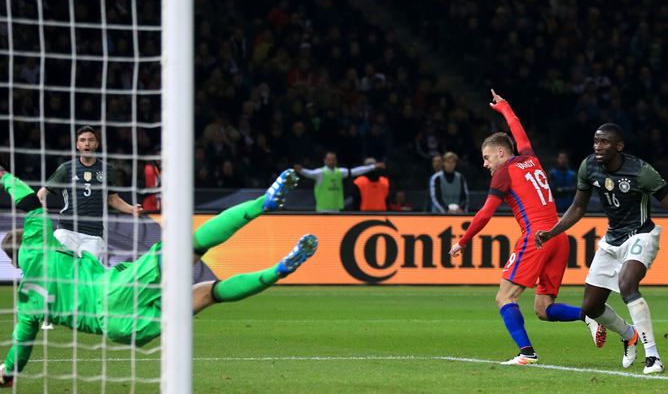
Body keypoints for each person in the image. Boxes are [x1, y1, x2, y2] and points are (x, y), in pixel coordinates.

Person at [0, 166, 316, 387]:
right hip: (115, 288)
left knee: (207, 295)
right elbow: (29, 201)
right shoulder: (38, 242)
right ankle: (264, 204)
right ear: (24, 242)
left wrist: (9, 372)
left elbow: (21, 345)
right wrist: (4, 177)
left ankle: (278, 271)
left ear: (14, 265)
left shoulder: (27, 303)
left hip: (120, 328)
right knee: (191, 247)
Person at [535, 123, 668, 375]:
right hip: (611, 239)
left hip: (642, 235)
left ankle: (653, 357)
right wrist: (552, 232)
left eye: (604, 142)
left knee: (627, 284)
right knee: (590, 308)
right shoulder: (589, 167)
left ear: (619, 146)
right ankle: (629, 335)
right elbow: (578, 208)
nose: (598, 146)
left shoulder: (641, 172)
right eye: (595, 141)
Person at [449, 90, 605, 366]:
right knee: (543, 309)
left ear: (500, 153)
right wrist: (505, 107)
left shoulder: (503, 172)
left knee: (504, 297)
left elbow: (485, 214)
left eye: (486, 157)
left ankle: (526, 353)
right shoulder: (531, 158)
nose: (485, 164)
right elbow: (518, 129)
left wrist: (462, 241)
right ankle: (588, 315)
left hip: (537, 238)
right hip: (559, 237)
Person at [36, 126, 143, 265]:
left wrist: (132, 209)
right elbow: (42, 193)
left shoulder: (107, 170)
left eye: (91, 140)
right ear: (77, 145)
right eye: (83, 140)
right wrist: (42, 205)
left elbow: (112, 199)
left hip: (93, 235)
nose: (87, 143)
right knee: (59, 270)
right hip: (67, 231)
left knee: (86, 277)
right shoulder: (66, 168)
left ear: (97, 144)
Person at [294, 152, 385, 212]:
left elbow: (355, 171)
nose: (332, 162)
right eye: (329, 159)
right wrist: (301, 171)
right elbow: (309, 173)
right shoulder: (320, 173)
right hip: (323, 209)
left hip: (336, 208)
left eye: (333, 159)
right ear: (325, 161)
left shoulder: (340, 172)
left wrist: (373, 167)